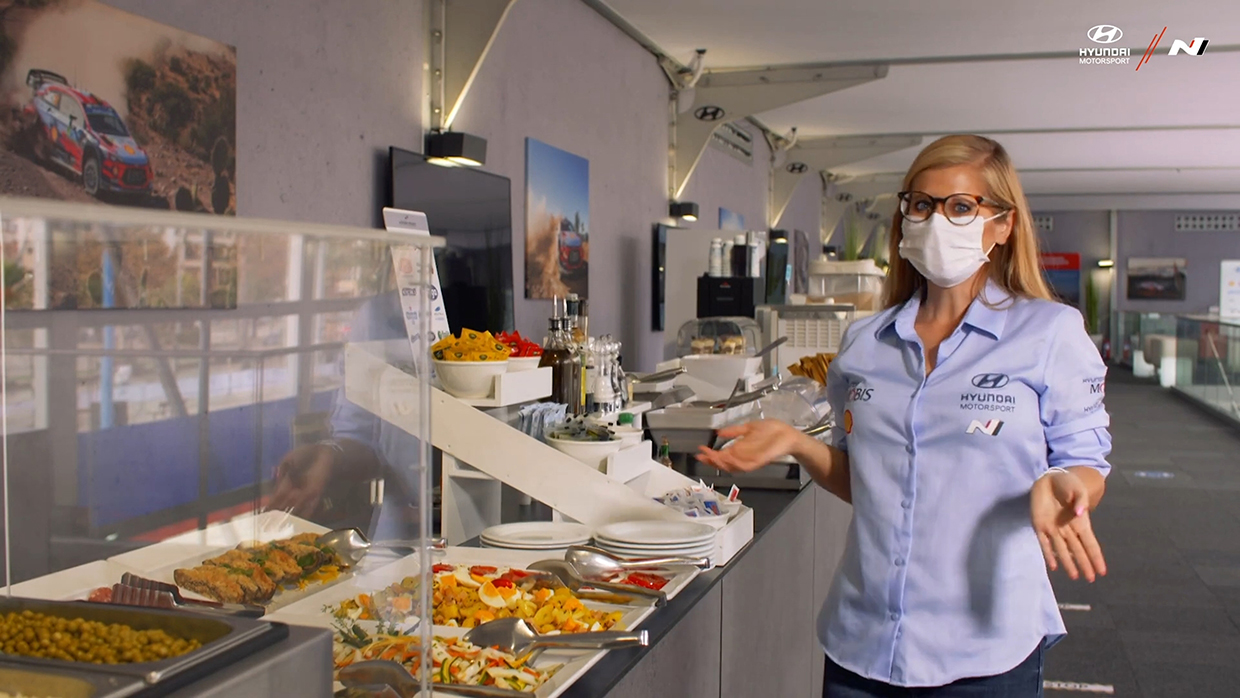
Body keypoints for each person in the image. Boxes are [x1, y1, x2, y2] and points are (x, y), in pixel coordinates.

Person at [697, 134, 1110, 698]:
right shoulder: (864, 343)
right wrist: (797, 443)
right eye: (921, 204)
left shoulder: (1048, 334)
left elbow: (1085, 465)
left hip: (985, 649)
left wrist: (1060, 483)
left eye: (961, 207)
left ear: (1003, 224)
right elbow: (870, 481)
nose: (937, 221)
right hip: (862, 645)